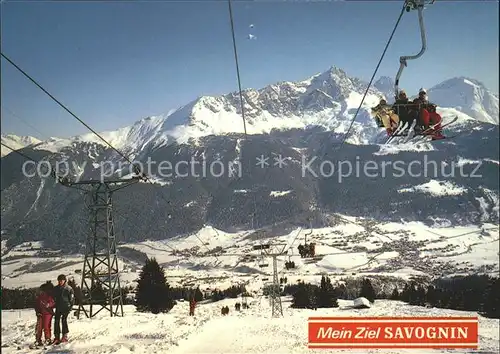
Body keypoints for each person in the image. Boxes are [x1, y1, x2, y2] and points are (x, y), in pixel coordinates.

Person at [53, 274, 74, 344]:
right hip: (58, 307)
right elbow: (53, 297)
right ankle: (56, 336)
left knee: (64, 320)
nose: (60, 282)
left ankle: (65, 335)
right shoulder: (56, 288)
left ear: (65, 280)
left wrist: (70, 307)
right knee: (56, 320)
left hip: (66, 307)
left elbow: (72, 298)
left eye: (61, 280)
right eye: (59, 281)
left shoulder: (68, 288)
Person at [34, 282, 55, 347]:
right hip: (40, 313)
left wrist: (49, 304)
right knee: (39, 327)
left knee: (46, 326)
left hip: (48, 313)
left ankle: (48, 339)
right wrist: (37, 312)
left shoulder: (50, 296)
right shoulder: (39, 296)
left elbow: (53, 302)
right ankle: (38, 340)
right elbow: (36, 305)